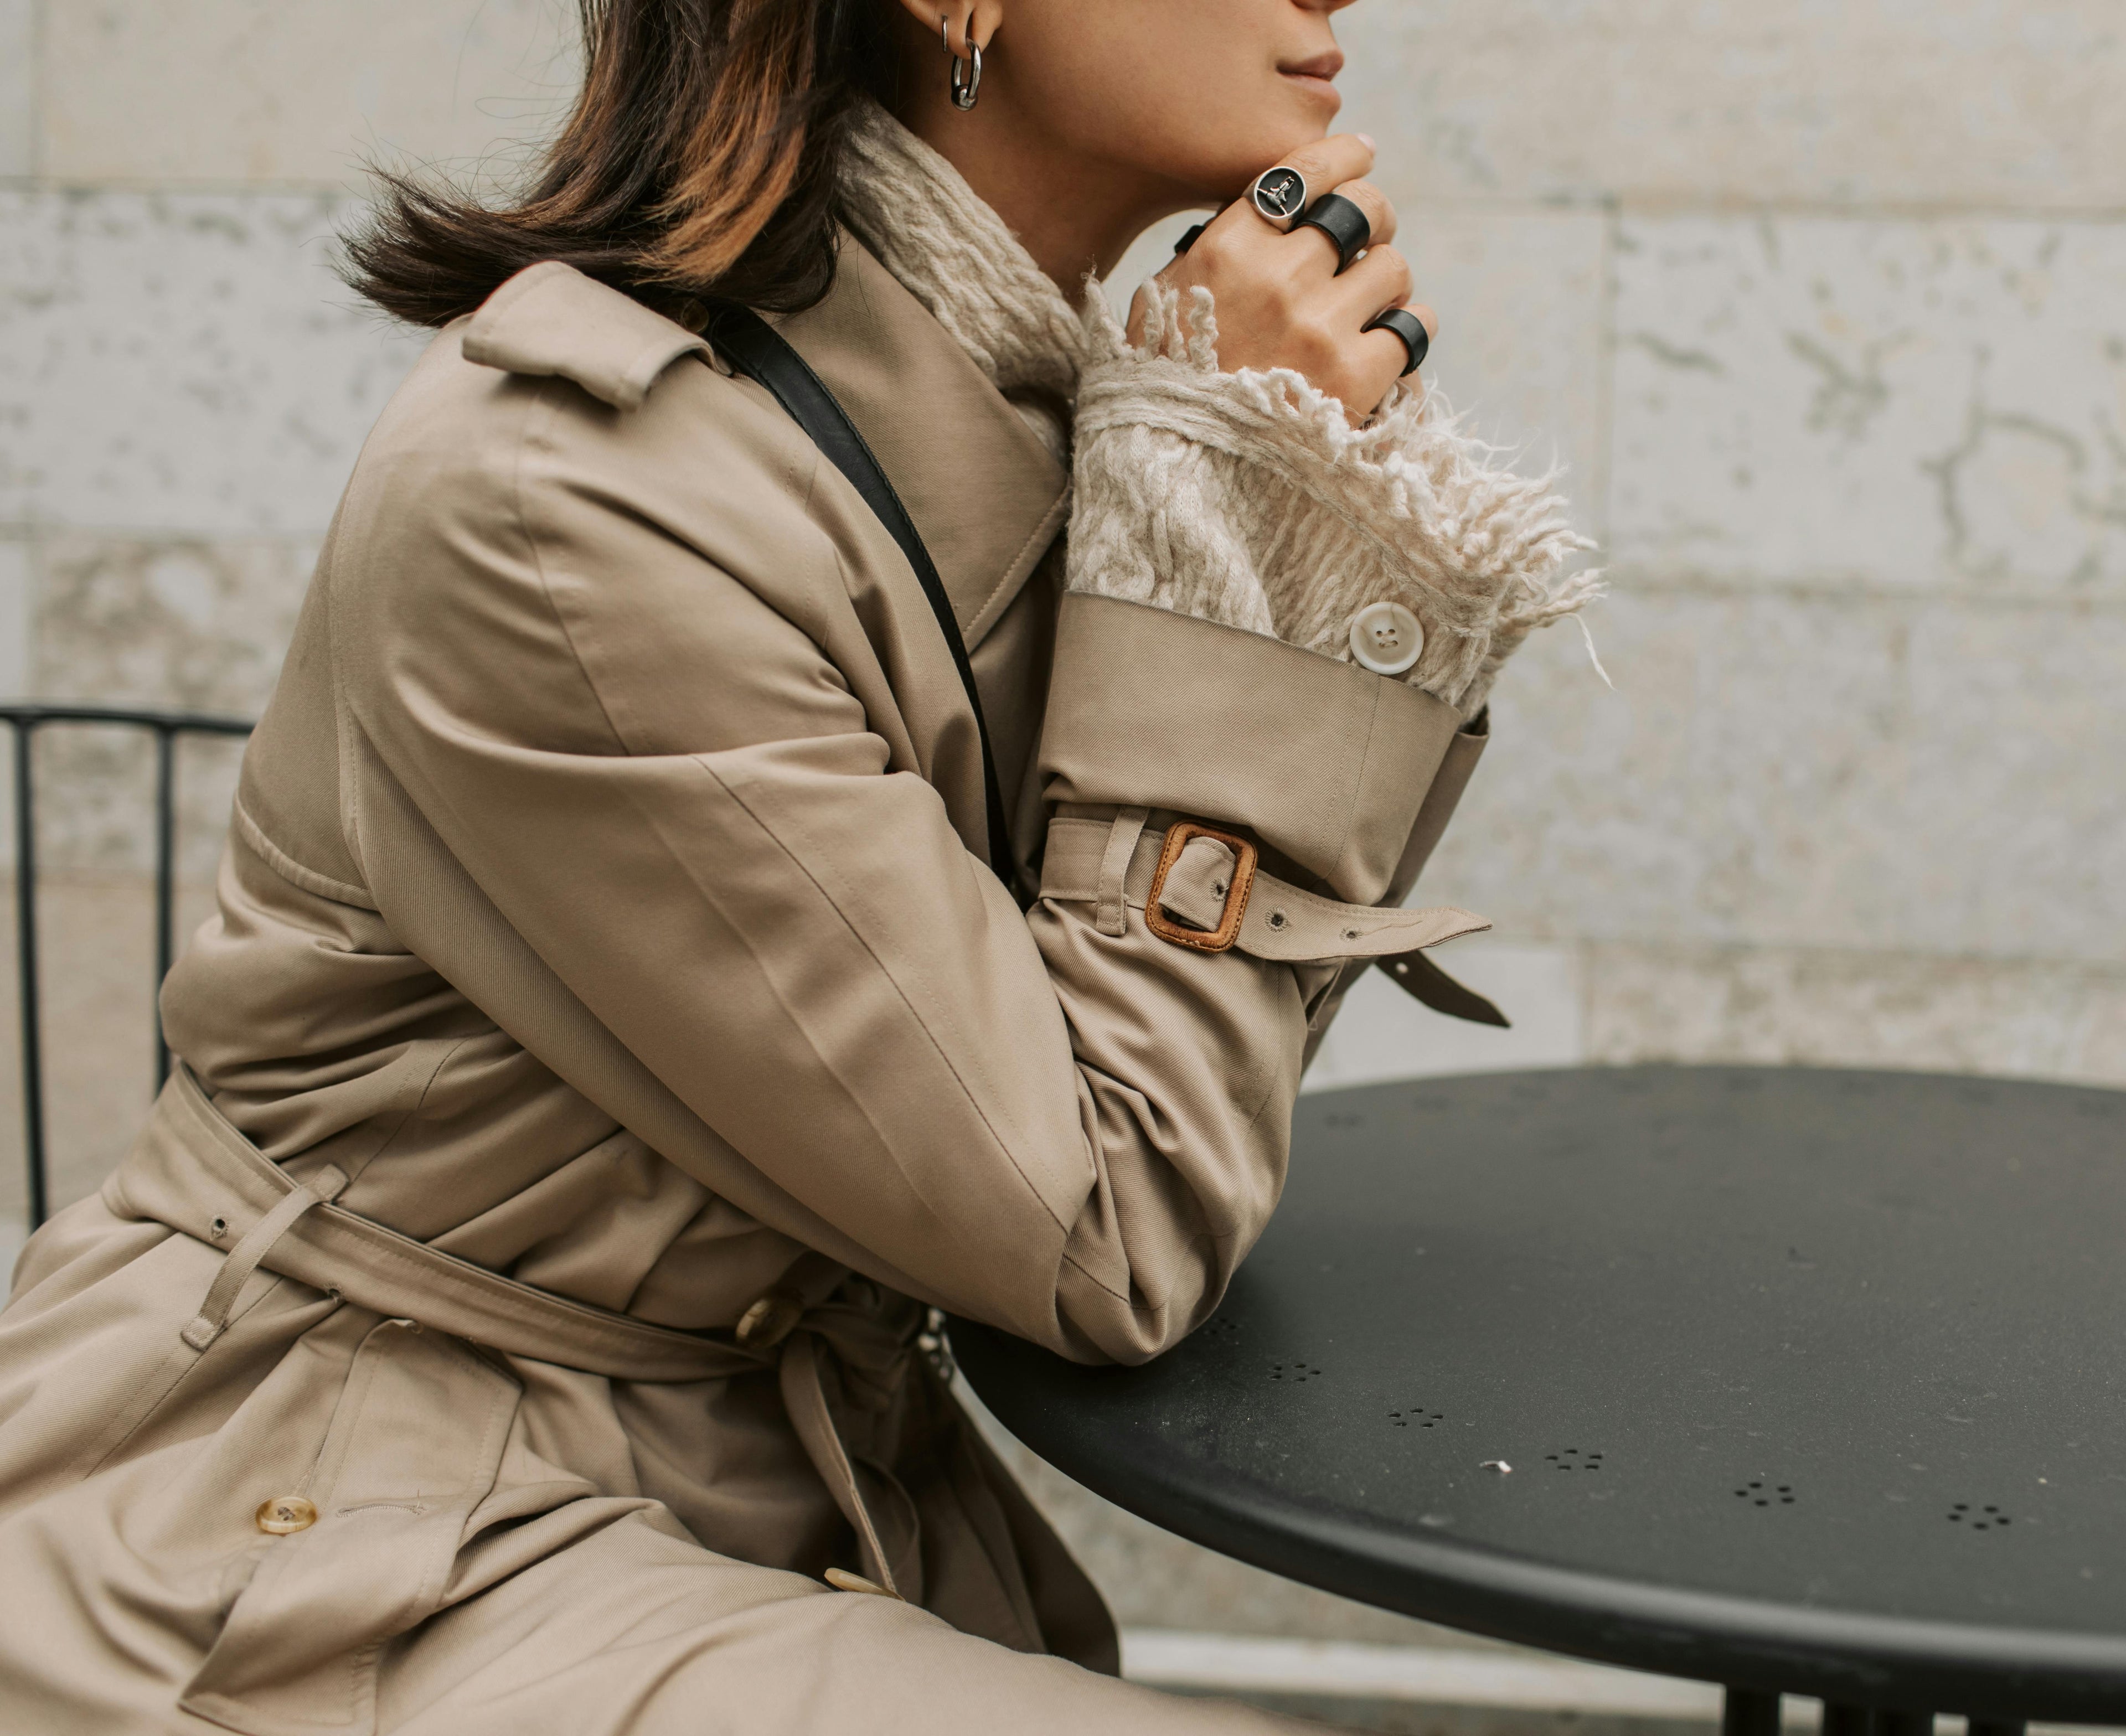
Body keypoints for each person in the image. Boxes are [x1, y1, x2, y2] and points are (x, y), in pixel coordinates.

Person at [0, 0, 1598, 1728]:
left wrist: (1220, 487)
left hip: (757, 1477)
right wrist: (1234, 523)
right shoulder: (576, 500)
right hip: (330, 1510)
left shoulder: (1065, 424)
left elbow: (1149, 1106)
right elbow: (1112, 1222)